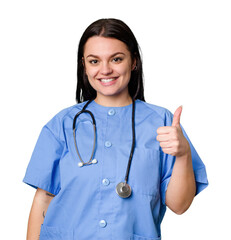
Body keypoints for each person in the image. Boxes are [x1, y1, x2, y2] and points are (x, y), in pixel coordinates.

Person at [23, 18, 208, 240]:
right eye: (94, 61)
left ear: (133, 62)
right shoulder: (62, 124)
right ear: (84, 65)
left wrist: (183, 154)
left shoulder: (163, 123)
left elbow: (179, 205)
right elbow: (43, 198)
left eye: (116, 59)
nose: (105, 70)